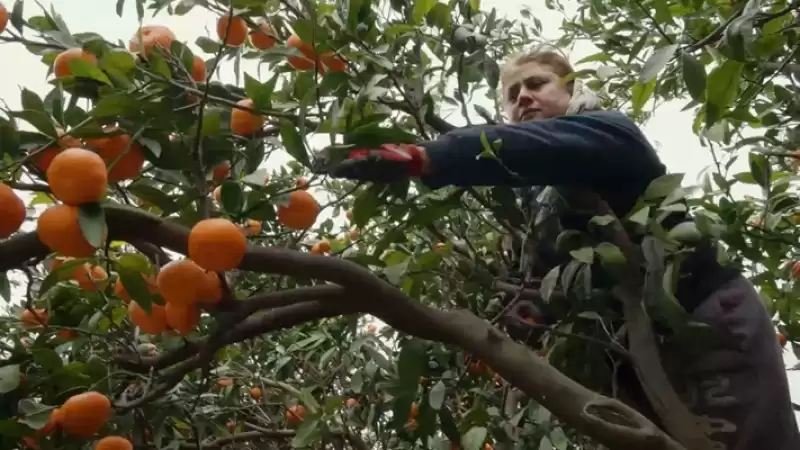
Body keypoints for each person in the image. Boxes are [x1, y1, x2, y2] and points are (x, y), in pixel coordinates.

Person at [319, 47, 800, 449]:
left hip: (705, 322)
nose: (523, 97)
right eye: (512, 95)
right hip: (630, 354)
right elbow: (549, 280)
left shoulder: (608, 132)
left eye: (537, 83)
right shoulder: (543, 205)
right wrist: (528, 311)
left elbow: (543, 147)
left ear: (571, 90)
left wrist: (431, 156)